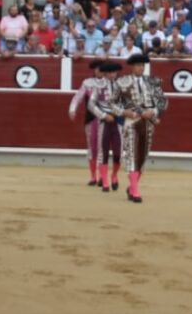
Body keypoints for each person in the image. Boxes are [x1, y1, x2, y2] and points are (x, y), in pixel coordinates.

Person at [113, 52, 166, 204]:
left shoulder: (152, 82)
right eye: (137, 65)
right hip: (132, 121)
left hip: (148, 122)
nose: (140, 68)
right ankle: (135, 191)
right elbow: (112, 103)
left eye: (142, 65)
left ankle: (132, 186)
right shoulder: (122, 82)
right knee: (132, 154)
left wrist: (153, 112)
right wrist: (123, 112)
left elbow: (162, 101)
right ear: (132, 67)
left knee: (142, 156)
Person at [71, 59, 111, 186]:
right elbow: (78, 97)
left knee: (101, 148)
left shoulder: (109, 83)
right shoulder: (87, 83)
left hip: (104, 120)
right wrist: (72, 109)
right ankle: (93, 176)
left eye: (101, 68)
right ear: (94, 70)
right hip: (90, 119)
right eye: (97, 68)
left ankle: (101, 177)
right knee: (91, 148)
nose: (99, 71)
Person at [88, 59, 125, 192]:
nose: (111, 75)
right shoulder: (99, 87)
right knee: (103, 153)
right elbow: (91, 105)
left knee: (118, 154)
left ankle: (114, 175)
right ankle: (104, 180)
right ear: (105, 74)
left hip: (118, 122)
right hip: (104, 123)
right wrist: (103, 116)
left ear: (116, 73)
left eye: (113, 72)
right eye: (109, 72)